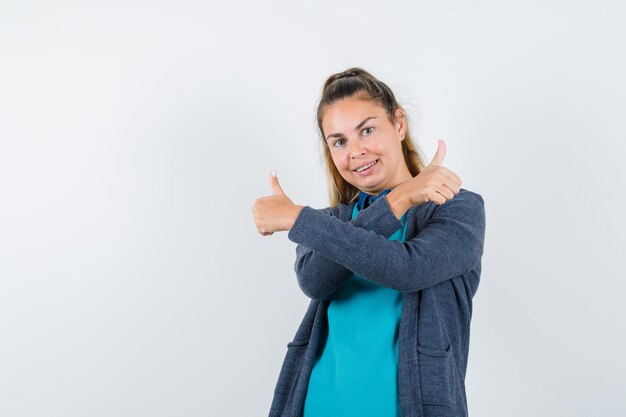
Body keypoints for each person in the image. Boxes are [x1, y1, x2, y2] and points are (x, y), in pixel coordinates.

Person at [252, 67, 486, 417]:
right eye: (340, 141)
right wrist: (398, 200)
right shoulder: (330, 223)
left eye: (368, 130)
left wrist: (296, 218)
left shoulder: (458, 209)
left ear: (399, 124)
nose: (356, 150)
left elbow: (408, 269)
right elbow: (315, 280)